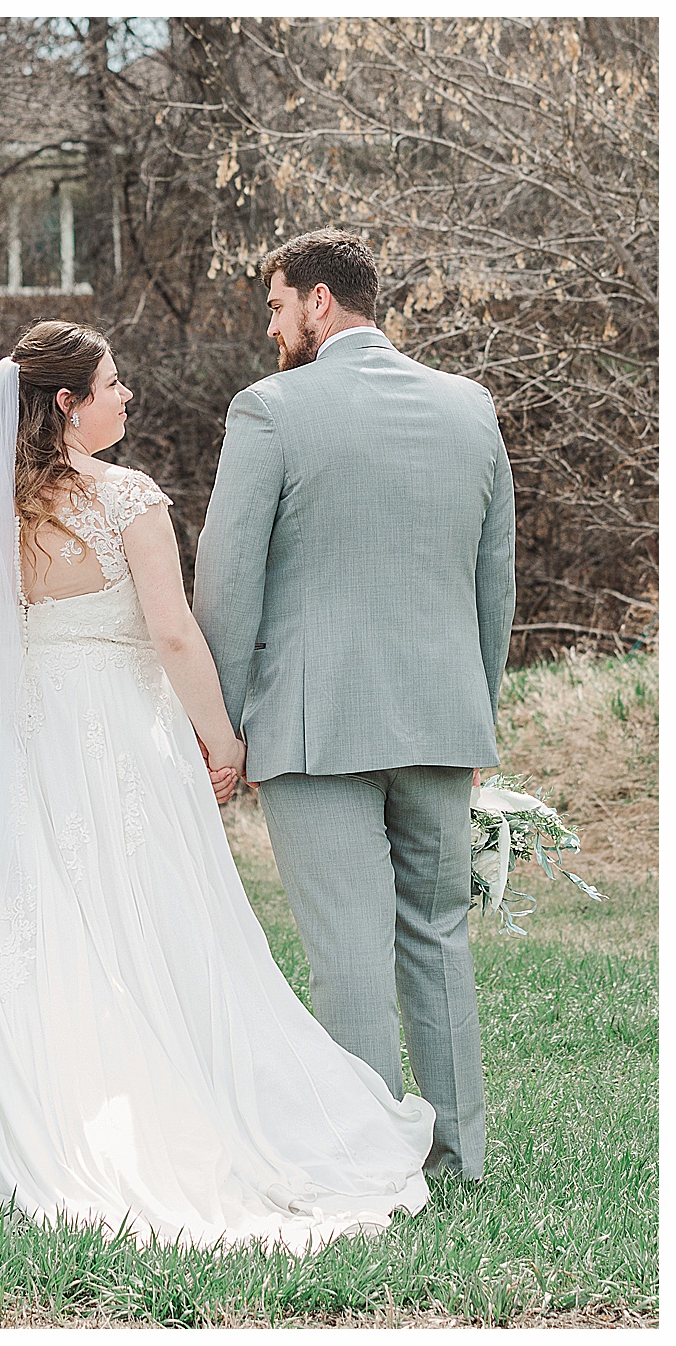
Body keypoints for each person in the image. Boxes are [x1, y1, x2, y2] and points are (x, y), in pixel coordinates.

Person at [0, 320, 435, 1252]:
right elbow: (174, 635)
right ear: (67, 403)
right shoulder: (129, 499)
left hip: (14, 747)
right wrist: (224, 741)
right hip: (121, 742)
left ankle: (26, 1114)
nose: (125, 397)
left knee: (35, 923)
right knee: (155, 920)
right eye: (112, 385)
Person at [194, 229, 514, 1180]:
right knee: (437, 935)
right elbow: (494, 583)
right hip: (443, 717)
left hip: (312, 723)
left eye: (277, 307)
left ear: (320, 305)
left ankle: (375, 1164)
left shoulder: (270, 411)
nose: (273, 328)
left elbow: (227, 577)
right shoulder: (471, 409)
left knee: (348, 953)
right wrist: (476, 710)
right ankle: (461, 1158)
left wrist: (223, 721)